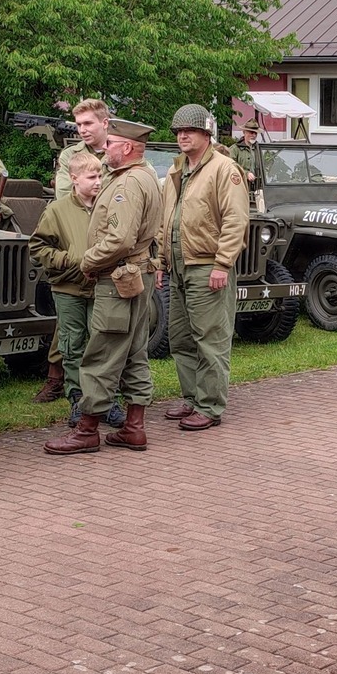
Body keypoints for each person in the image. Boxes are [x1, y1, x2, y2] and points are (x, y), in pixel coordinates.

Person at [44, 119, 164, 455]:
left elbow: (120, 238)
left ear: (127, 147)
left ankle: (86, 430)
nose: (104, 147)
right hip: (136, 275)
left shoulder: (128, 183)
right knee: (134, 352)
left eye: (110, 142)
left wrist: (88, 261)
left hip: (118, 278)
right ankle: (134, 427)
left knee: (101, 353)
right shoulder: (144, 175)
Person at [160, 105, 247, 434]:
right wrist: (162, 261)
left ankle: (209, 406)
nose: (182, 136)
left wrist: (223, 263)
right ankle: (192, 397)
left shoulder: (224, 169)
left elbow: (236, 220)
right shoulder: (177, 170)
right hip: (178, 266)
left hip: (208, 266)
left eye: (190, 131)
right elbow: (167, 220)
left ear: (206, 134)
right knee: (181, 338)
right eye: (178, 131)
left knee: (210, 339)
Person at [30, 148, 102, 425]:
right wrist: (67, 260)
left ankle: (104, 400)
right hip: (68, 288)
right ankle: (77, 400)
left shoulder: (106, 206)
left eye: (100, 176)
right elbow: (37, 247)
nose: (98, 182)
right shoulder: (57, 210)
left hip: (100, 287)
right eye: (91, 177)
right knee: (72, 346)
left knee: (101, 344)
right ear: (74, 178)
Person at [227, 117, 262, 184]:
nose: (254, 135)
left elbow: (266, 166)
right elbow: (230, 167)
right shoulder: (234, 149)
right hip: (240, 185)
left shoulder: (259, 149)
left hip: (257, 186)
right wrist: (246, 174)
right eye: (251, 132)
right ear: (244, 132)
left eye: (255, 133)